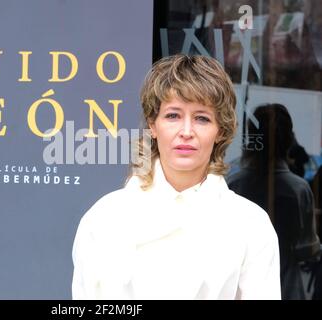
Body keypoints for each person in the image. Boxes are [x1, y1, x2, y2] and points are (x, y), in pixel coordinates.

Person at [71, 54, 281, 300]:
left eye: (202, 118)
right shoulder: (104, 218)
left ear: (220, 130)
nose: (186, 132)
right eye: (173, 115)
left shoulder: (250, 224)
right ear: (153, 124)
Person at [227, 104, 320, 299]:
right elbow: (307, 249)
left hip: (239, 287)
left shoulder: (233, 184)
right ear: (288, 140)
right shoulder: (298, 189)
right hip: (287, 287)